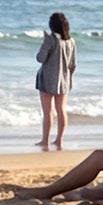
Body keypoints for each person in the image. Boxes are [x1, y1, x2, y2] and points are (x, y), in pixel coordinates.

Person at [34, 12, 75, 152]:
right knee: (61, 110)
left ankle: (45, 140)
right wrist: (69, 77)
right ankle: (59, 139)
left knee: (48, 111)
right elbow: (73, 64)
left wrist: (45, 41)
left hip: (48, 79)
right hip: (64, 79)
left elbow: (40, 58)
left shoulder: (51, 39)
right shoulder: (70, 41)